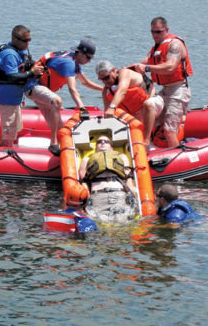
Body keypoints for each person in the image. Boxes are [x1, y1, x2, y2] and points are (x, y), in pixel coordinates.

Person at [29, 39, 103, 155]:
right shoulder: (69, 63)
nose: (89, 61)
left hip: (42, 88)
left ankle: (64, 151)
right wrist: (82, 108)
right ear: (80, 53)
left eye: (91, 59)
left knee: (61, 129)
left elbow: (85, 82)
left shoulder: (73, 60)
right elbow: (72, 89)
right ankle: (53, 145)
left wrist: (104, 89)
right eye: (88, 58)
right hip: (33, 86)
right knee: (57, 101)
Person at [133, 17, 193, 148]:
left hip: (178, 90)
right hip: (164, 91)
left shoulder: (175, 44)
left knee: (169, 131)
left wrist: (148, 68)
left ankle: (178, 159)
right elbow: (141, 63)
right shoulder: (155, 48)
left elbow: (171, 66)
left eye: (158, 32)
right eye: (153, 32)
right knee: (148, 106)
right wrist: (122, 72)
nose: (155, 35)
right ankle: (146, 145)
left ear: (166, 30)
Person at [0, 25, 44, 147]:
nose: (28, 44)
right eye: (25, 41)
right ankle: (5, 152)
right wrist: (31, 73)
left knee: (16, 127)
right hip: (7, 98)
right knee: (9, 131)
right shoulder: (9, 54)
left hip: (15, 98)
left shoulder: (19, 51)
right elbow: (12, 77)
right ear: (15, 39)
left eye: (29, 40)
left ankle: (4, 146)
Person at [95, 60, 164, 146]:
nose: (105, 82)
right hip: (137, 115)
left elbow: (122, 91)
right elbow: (107, 113)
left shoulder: (125, 73)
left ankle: (146, 141)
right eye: (101, 80)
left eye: (107, 77)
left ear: (113, 70)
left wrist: (112, 107)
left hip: (154, 104)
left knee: (148, 104)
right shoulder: (106, 91)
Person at [78, 135, 138, 223]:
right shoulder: (87, 160)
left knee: (121, 221)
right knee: (101, 223)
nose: (102, 142)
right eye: (99, 141)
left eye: (106, 141)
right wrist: (87, 199)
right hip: (98, 196)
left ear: (111, 147)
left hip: (118, 193)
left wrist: (131, 192)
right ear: (95, 148)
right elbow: (83, 181)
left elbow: (128, 177)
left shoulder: (122, 157)